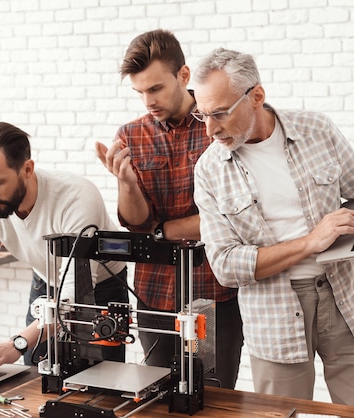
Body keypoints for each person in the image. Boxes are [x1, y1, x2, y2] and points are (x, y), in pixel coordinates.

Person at [192, 48, 354, 410]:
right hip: (274, 317)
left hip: (351, 301)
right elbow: (225, 265)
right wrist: (311, 242)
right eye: (202, 114)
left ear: (256, 97)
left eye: (219, 114)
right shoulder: (209, 170)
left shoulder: (317, 130)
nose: (210, 129)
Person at [95, 29, 243, 389]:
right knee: (155, 395)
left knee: (208, 394)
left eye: (156, 88)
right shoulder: (131, 135)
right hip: (154, 297)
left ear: (184, 76)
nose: (148, 101)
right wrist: (127, 183)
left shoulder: (217, 126)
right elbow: (136, 225)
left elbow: (230, 216)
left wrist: (162, 230)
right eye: (140, 92)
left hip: (211, 295)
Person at [0, 121, 129, 370]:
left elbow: (74, 293)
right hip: (45, 284)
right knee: (35, 378)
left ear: (27, 169)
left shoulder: (76, 198)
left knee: (101, 382)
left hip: (102, 288)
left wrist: (17, 343)